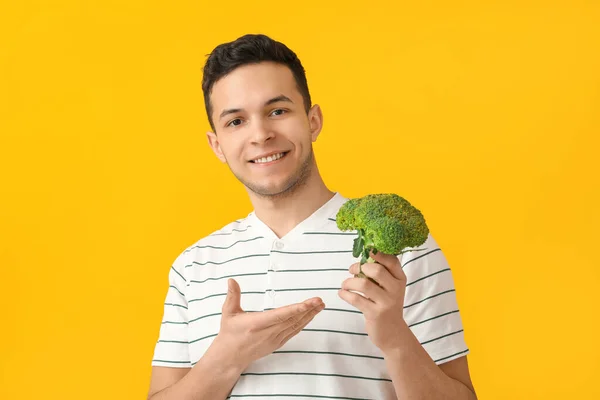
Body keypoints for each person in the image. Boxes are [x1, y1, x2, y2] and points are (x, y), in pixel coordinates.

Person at [147, 33, 477, 400]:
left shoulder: (400, 251)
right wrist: (224, 360)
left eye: (277, 111)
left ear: (313, 120)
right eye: (236, 121)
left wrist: (396, 339)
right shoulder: (193, 266)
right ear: (217, 145)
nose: (261, 135)